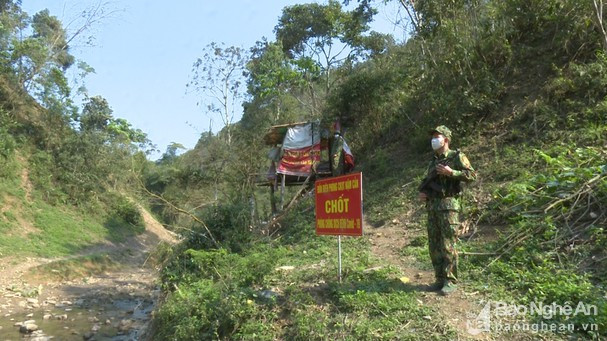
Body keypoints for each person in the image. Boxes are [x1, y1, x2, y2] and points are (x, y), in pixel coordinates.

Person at [418, 125, 476, 296]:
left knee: (448, 244)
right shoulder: (432, 162)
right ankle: (439, 278)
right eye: (433, 136)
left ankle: (450, 280)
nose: (434, 139)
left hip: (449, 206)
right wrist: (423, 195)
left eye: (437, 136)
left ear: (446, 139)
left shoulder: (456, 157)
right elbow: (427, 185)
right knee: (434, 245)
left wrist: (453, 173)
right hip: (433, 207)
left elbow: (472, 176)